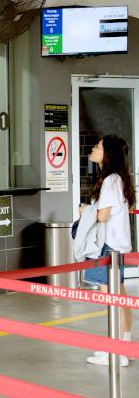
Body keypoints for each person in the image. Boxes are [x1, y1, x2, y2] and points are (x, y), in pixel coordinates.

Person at [80, 135, 135, 367]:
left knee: (112, 300)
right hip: (117, 245)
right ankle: (125, 346)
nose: (93, 149)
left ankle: (116, 353)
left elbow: (103, 216)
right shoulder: (119, 178)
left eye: (98, 147)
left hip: (109, 247)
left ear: (107, 154)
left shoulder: (111, 180)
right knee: (120, 298)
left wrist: (86, 210)